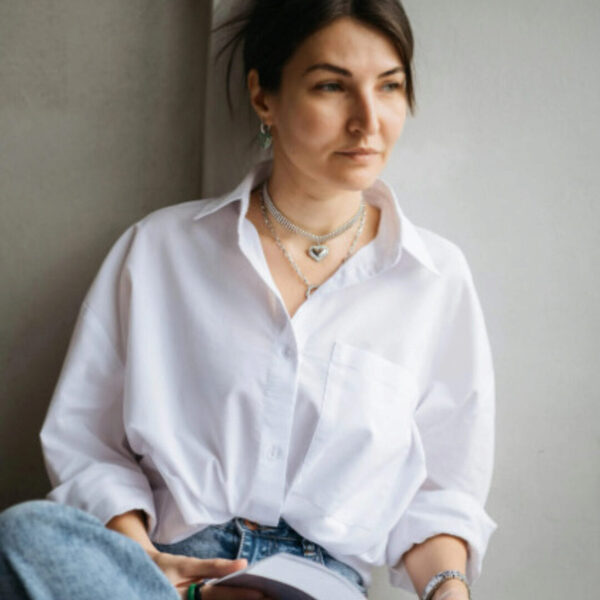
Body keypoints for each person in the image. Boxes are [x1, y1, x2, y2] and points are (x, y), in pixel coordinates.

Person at [0, 1, 497, 599]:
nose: (368, 121)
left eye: (389, 86)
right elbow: (88, 444)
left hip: (320, 582)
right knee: (24, 532)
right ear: (264, 97)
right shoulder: (161, 249)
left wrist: (448, 589)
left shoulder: (434, 279)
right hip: (165, 573)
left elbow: (440, 495)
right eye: (332, 86)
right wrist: (149, 566)